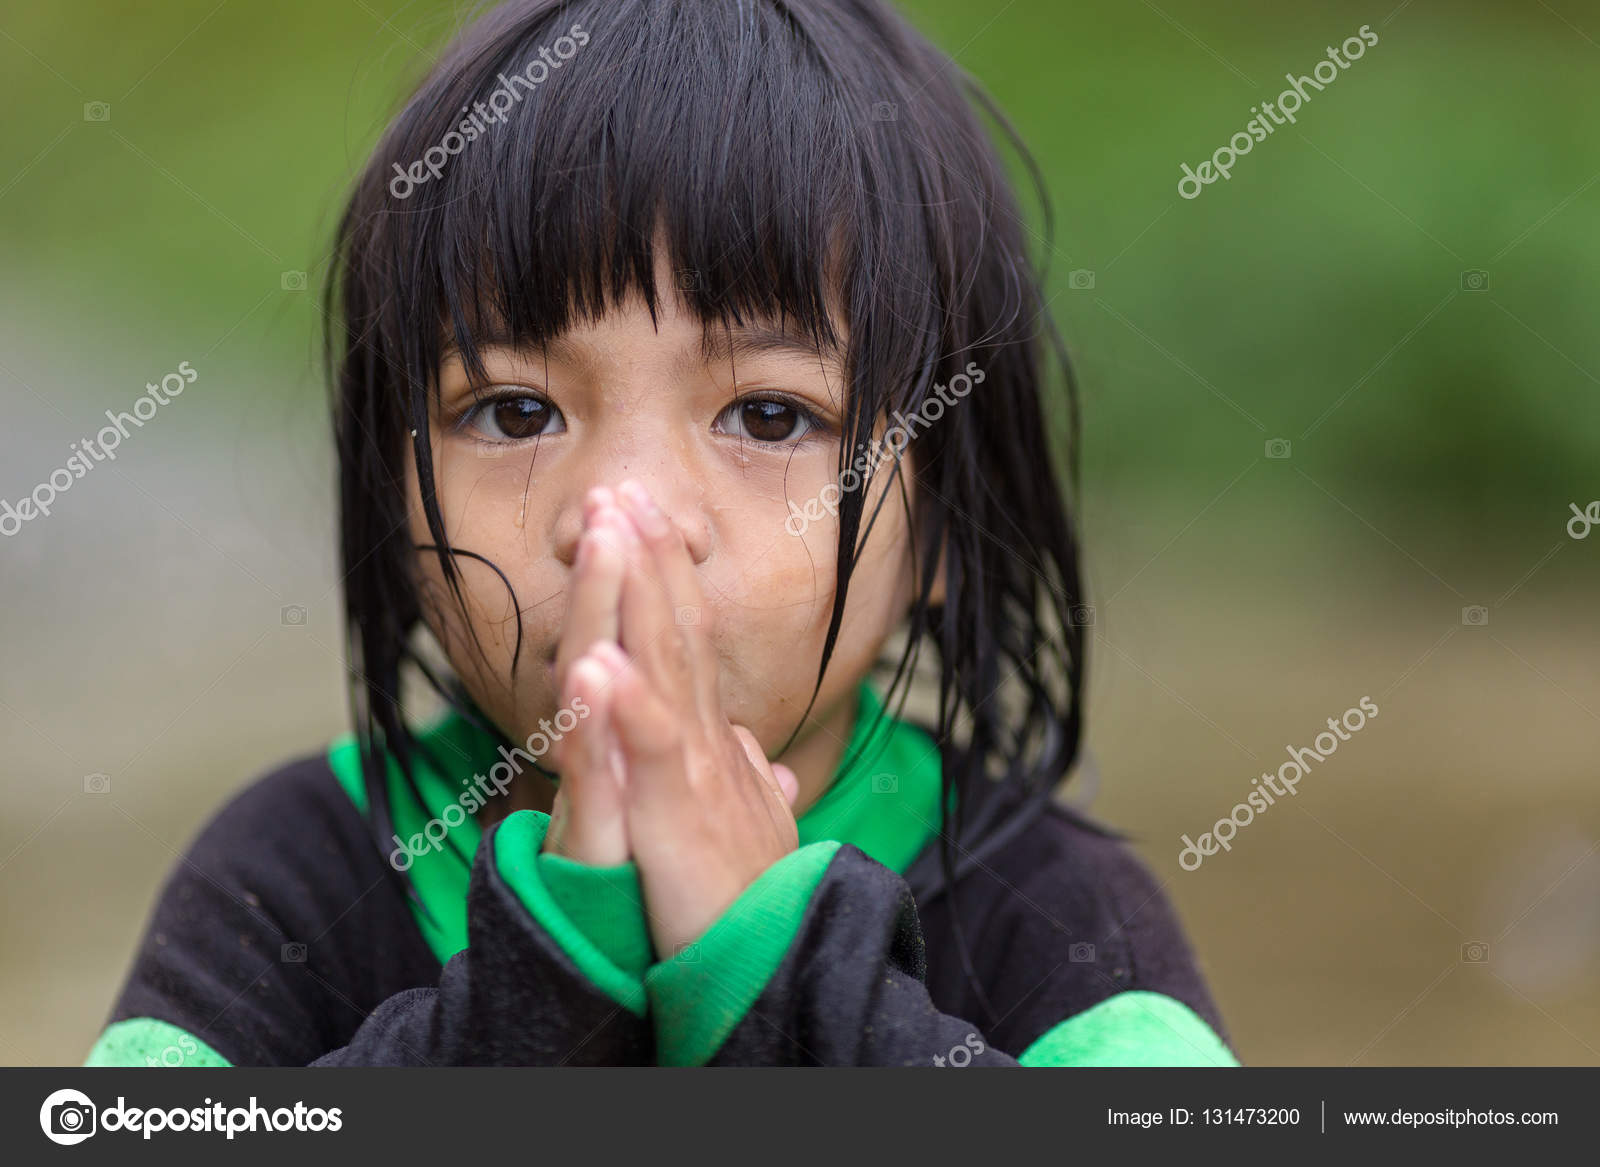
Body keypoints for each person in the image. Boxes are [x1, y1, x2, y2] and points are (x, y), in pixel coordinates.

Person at [86, 0, 1235, 1067]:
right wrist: (546, 980)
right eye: (515, 413)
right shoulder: (296, 870)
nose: (620, 517)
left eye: (770, 416)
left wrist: (773, 967)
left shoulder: (1051, 905)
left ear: (940, 528)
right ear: (396, 510)